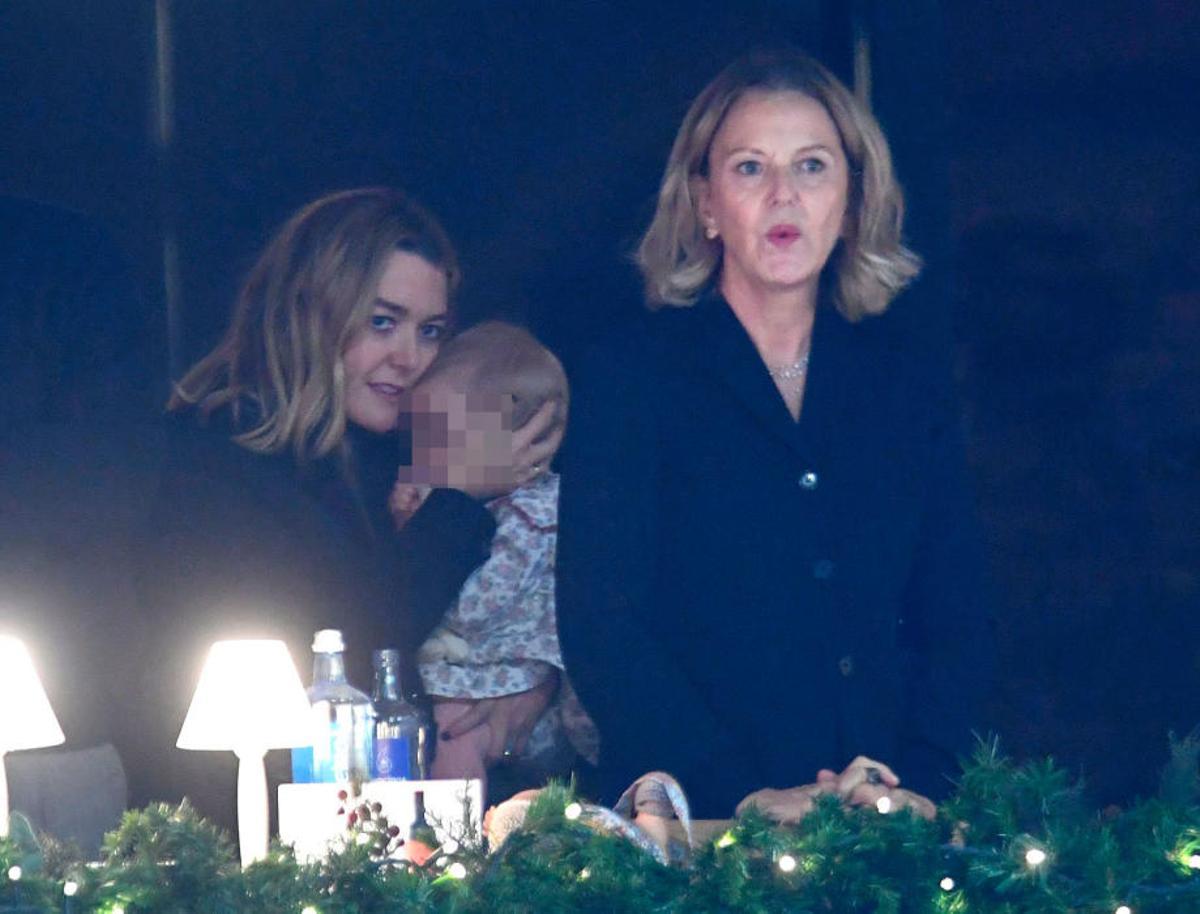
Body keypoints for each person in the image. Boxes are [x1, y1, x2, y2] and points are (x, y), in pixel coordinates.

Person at [555, 49, 994, 820]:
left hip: (890, 822)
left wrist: (919, 784)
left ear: (852, 201)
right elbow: (603, 626)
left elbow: (957, 615)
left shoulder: (905, 384)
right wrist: (741, 794)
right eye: (750, 168)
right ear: (706, 204)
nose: (783, 194)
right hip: (697, 830)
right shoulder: (632, 376)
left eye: (812, 166)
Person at [128, 188, 562, 829]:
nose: (409, 357)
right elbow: (344, 653)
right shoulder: (217, 458)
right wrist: (459, 495)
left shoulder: (390, 452)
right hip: (247, 833)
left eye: (430, 331)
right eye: (382, 322)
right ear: (310, 313)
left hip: (393, 823)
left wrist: (531, 687)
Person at [392, 321, 598, 804]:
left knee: (452, 734)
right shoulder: (483, 499)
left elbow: (477, 606)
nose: (423, 455)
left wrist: (418, 530)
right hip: (481, 672)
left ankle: (455, 835)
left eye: (439, 438)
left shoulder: (533, 515)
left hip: (510, 676)